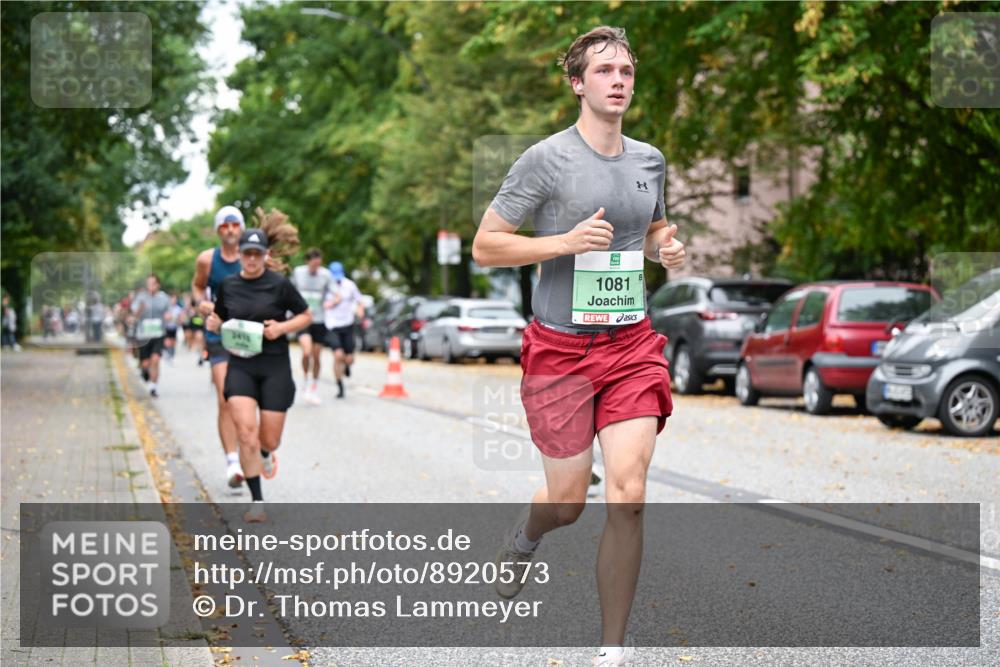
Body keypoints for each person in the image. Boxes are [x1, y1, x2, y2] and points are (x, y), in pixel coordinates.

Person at [471, 26, 686, 667]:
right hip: (559, 350)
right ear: (577, 83)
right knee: (567, 502)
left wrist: (664, 248)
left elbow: (650, 230)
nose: (618, 80)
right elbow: (487, 245)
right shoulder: (545, 159)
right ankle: (524, 535)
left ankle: (610, 653)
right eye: (603, 70)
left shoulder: (650, 160)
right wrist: (563, 242)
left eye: (626, 70)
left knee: (629, 491)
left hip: (630, 347)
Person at [206, 211, 310, 523]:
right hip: (241, 366)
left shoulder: (279, 285)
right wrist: (215, 321)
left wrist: (281, 328)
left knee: (269, 439)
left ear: (265, 256)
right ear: (239, 255)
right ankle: (257, 501)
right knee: (245, 432)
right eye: (247, 254)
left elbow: (306, 316)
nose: (251, 260)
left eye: (257, 255)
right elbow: (221, 318)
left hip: (275, 366)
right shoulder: (228, 285)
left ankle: (266, 454)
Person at [192, 206, 245, 488]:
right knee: (226, 398)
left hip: (250, 337)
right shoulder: (207, 260)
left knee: (250, 399)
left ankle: (259, 448)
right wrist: (201, 303)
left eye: (234, 224)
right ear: (217, 230)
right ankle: (233, 462)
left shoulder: (254, 257)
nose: (230, 230)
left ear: (242, 228)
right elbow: (197, 286)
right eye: (224, 226)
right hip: (218, 336)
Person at [290, 248, 334, 404]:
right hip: (302, 318)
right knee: (306, 351)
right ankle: (305, 380)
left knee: (316, 355)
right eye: (313, 264)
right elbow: (289, 291)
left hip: (319, 320)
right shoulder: (298, 272)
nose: (316, 268)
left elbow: (336, 294)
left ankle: (314, 385)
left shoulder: (326, 275)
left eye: (319, 264)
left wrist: (331, 302)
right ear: (308, 262)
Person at [322, 261, 364, 399]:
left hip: (347, 324)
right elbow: (320, 304)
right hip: (332, 325)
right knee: (338, 355)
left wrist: (360, 310)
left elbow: (359, 300)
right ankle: (340, 385)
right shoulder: (325, 286)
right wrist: (332, 302)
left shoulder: (349, 285)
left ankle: (347, 366)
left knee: (349, 358)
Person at [132, 275, 171, 397]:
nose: (151, 286)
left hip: (159, 333)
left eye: (153, 283)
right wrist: (140, 308)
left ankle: (153, 387)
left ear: (158, 284)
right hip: (143, 334)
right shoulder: (141, 298)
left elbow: (169, 312)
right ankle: (144, 371)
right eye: (149, 283)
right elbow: (135, 315)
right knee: (145, 363)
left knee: (155, 359)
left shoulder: (164, 298)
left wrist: (168, 317)